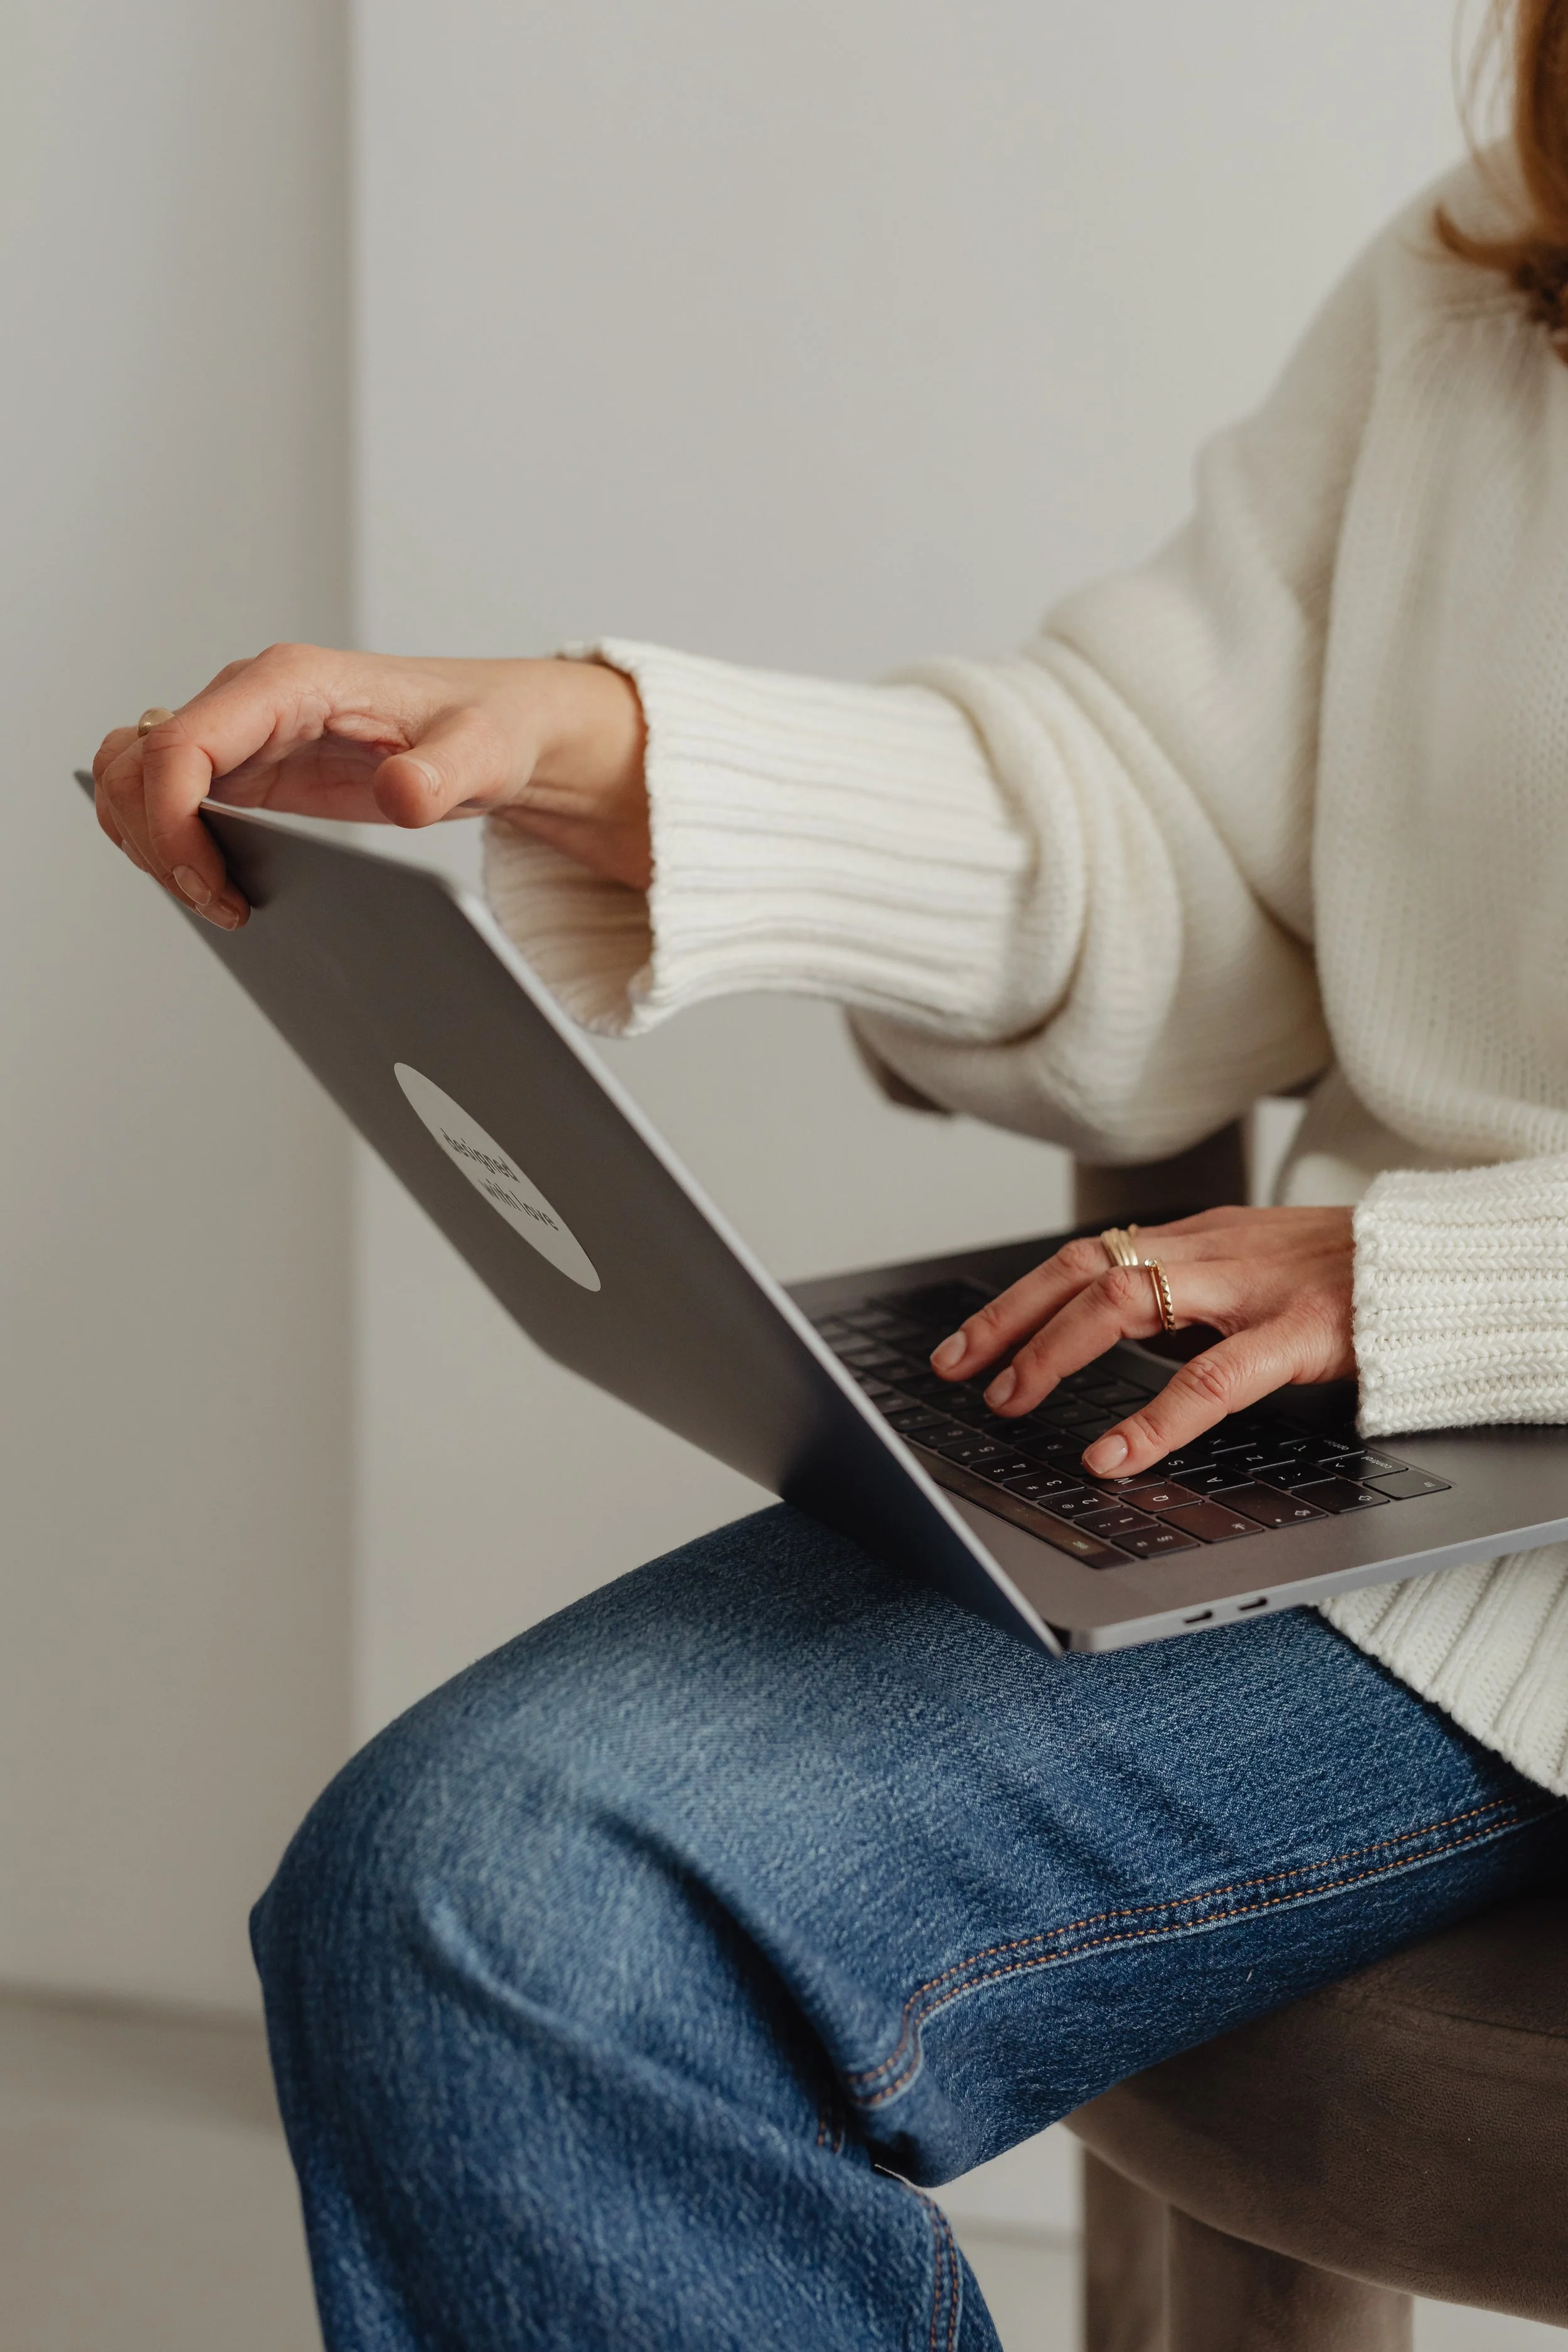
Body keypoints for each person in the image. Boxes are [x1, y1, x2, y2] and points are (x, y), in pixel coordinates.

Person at [91, 9, 1568, 2346]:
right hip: (1408, 1485)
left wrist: (1458, 1281)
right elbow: (1173, 825)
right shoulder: (1492, 273)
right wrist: (609, 752)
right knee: (482, 1899)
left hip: (1487, 1462)